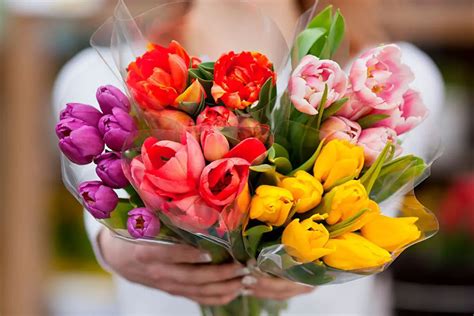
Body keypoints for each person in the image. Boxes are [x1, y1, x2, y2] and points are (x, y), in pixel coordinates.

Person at [53, 0, 444, 314]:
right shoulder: (99, 78)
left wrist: (316, 257)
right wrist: (111, 248)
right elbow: (103, 213)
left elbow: (373, 225)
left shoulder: (392, 81)